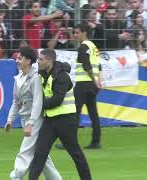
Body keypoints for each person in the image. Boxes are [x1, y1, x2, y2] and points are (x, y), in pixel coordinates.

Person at [29, 48, 92, 180]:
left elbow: (57, 101)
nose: (38, 61)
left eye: (41, 59)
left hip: (66, 121)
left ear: (49, 61)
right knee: (40, 153)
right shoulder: (42, 74)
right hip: (50, 120)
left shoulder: (62, 76)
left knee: (76, 154)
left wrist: (37, 104)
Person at [5, 47, 62, 180]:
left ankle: (16, 175)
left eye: (20, 58)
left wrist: (31, 123)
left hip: (36, 120)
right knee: (40, 153)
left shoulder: (36, 77)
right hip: (25, 119)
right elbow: (16, 102)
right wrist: (10, 120)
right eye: (17, 58)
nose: (17, 61)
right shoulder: (18, 78)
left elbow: (38, 102)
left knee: (25, 150)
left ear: (28, 61)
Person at [55, 23, 101, 150]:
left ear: (84, 33)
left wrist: (95, 81)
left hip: (83, 84)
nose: (75, 35)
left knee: (73, 114)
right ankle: (96, 142)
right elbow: (99, 66)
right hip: (92, 85)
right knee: (93, 114)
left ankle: (69, 142)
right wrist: (98, 81)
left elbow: (87, 66)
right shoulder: (94, 47)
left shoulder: (83, 48)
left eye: (77, 32)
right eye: (74, 32)